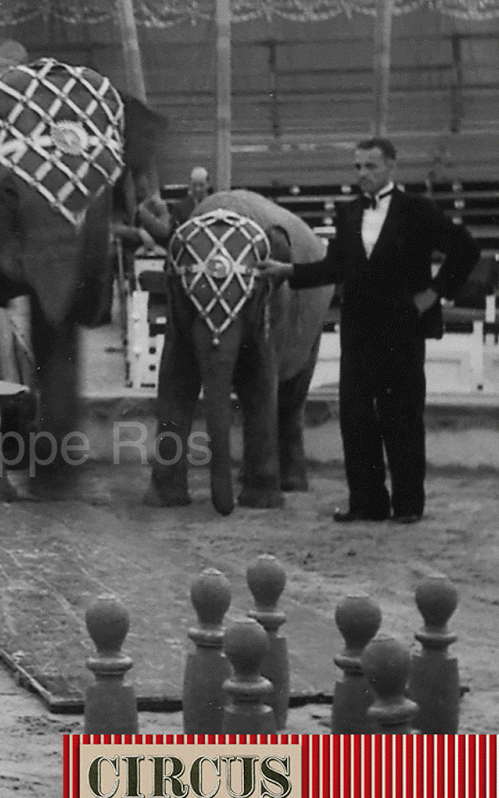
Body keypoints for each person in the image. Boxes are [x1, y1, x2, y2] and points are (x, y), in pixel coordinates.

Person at [259, 137, 478, 524]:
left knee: (402, 415)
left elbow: (465, 249)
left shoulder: (418, 211)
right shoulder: (347, 214)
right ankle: (367, 502)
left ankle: (408, 505)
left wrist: (433, 294)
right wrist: (289, 271)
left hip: (402, 329)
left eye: (370, 167)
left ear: (391, 167)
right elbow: (336, 268)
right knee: (356, 417)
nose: (362, 174)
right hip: (358, 330)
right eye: (357, 167)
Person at [137, 165, 210, 248]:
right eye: (194, 185)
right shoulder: (180, 207)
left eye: (201, 185)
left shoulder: (213, 206)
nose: (197, 189)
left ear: (207, 184)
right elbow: (172, 236)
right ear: (190, 184)